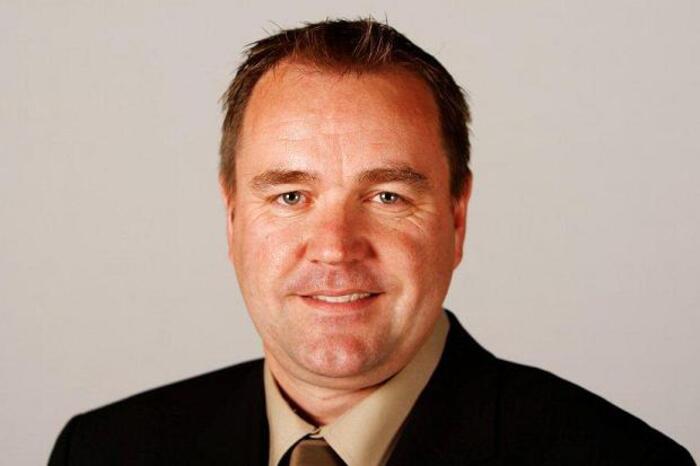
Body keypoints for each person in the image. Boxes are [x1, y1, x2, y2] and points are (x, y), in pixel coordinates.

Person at [48, 18, 694, 466]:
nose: (334, 247)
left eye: (387, 196)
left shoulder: (622, 460)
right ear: (233, 218)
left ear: (457, 218)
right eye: (290, 196)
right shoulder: (103, 451)